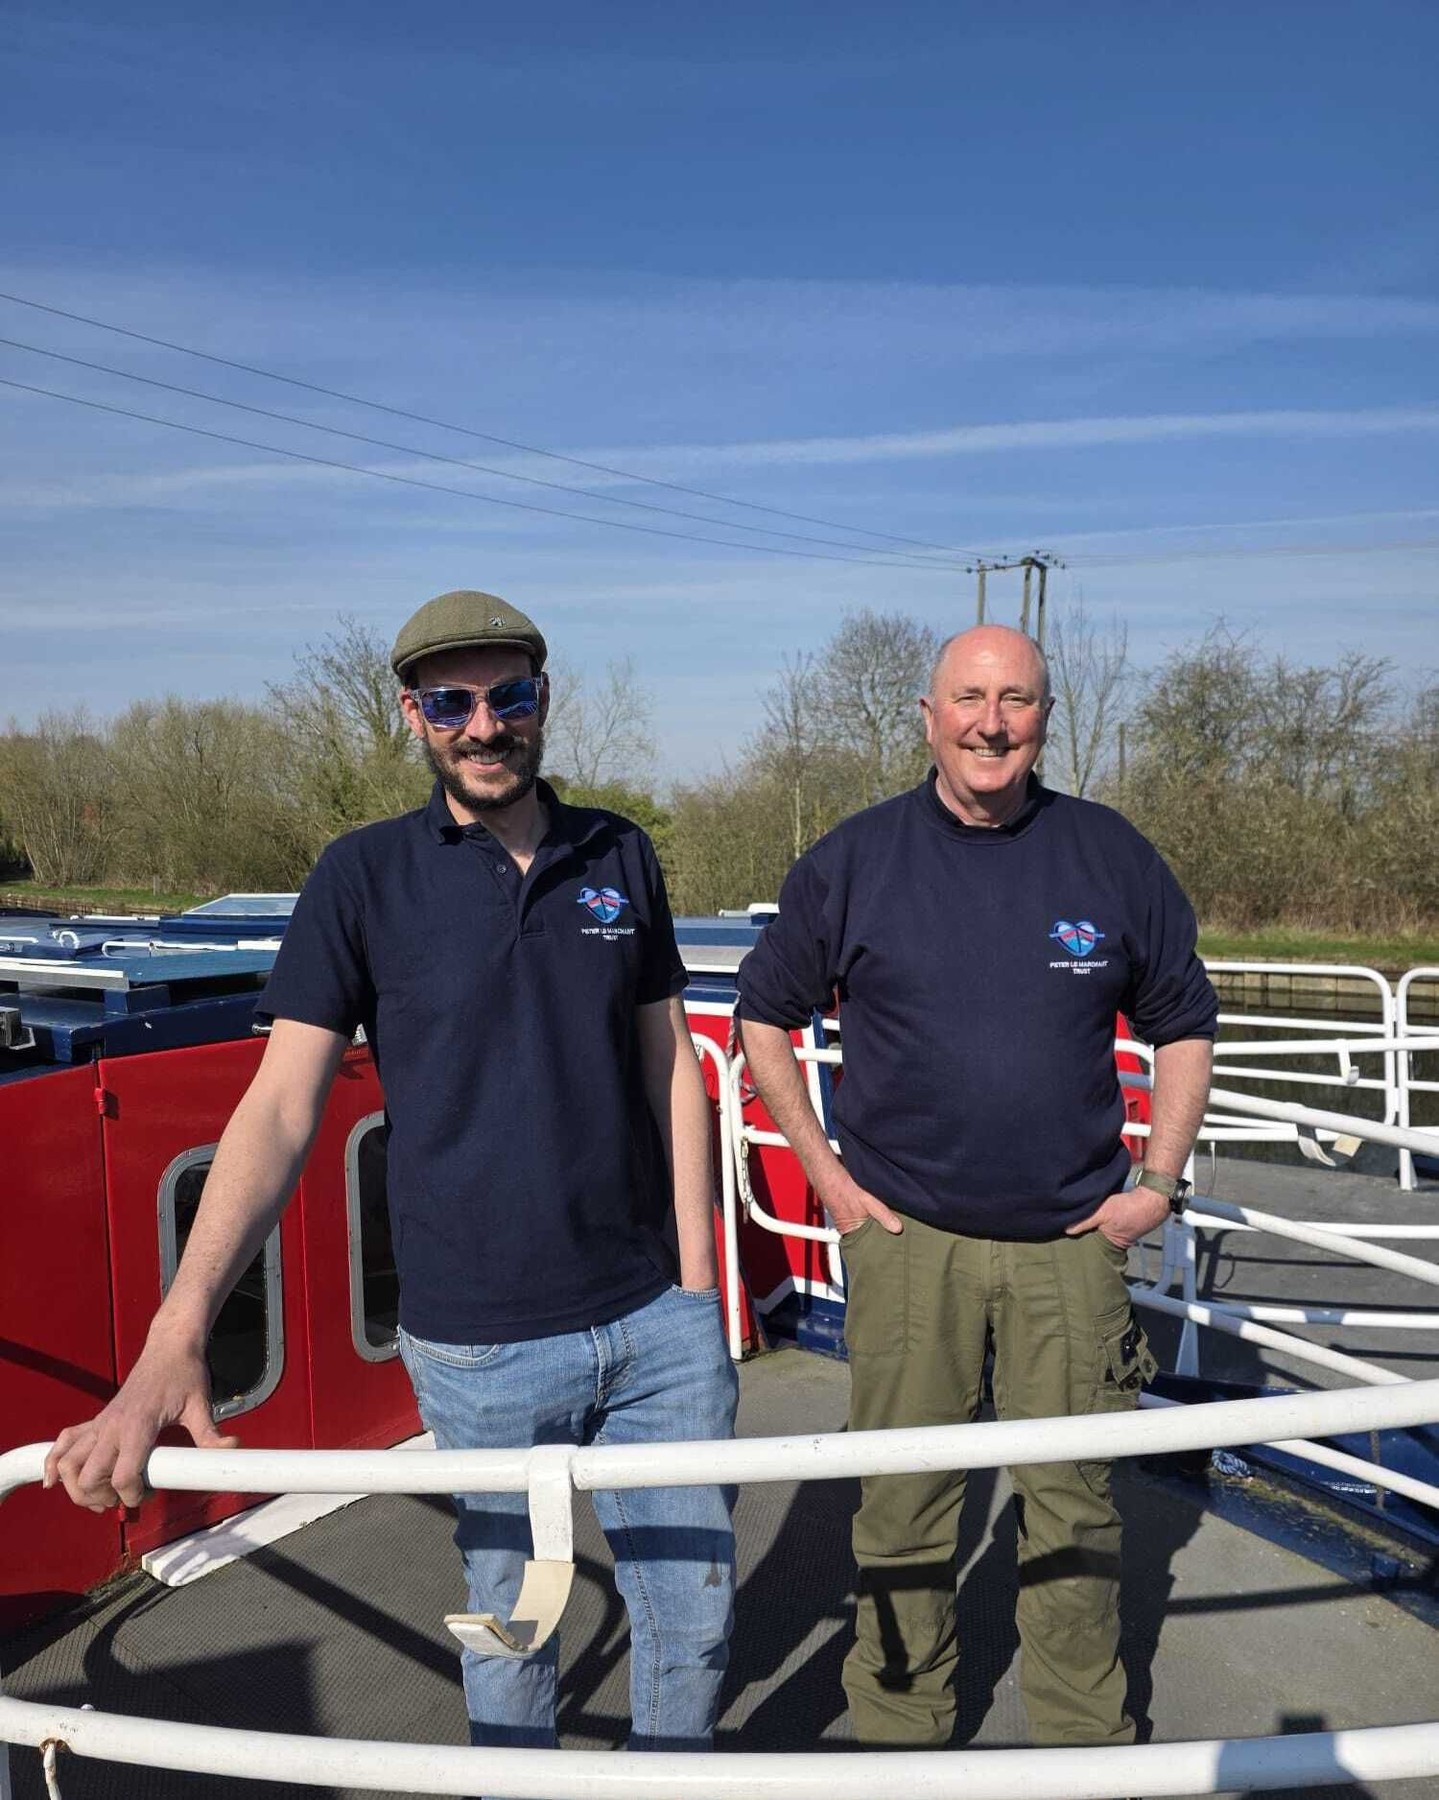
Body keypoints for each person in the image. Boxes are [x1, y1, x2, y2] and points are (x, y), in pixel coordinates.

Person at [45, 589, 738, 1759]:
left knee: (697, 1624)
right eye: (450, 702)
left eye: (507, 696)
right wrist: (179, 1330)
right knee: (510, 1630)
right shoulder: (361, 876)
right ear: (413, 716)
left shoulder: (619, 850)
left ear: (542, 700)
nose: (483, 726)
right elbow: (277, 1107)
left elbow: (671, 1065)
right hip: (479, 1342)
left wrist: (697, 1288)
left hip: (653, 1325)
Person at [736, 623, 1215, 1750]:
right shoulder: (854, 861)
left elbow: (1183, 1026)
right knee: (900, 1506)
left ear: (1045, 717)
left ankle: (1082, 1740)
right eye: (968, 697)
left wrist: (1156, 1181)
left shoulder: (1108, 856)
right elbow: (762, 1015)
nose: (989, 722)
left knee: (1074, 1507)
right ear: (926, 714)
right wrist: (825, 1172)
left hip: (1069, 1247)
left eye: (1014, 700)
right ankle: (899, 1733)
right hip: (909, 1244)